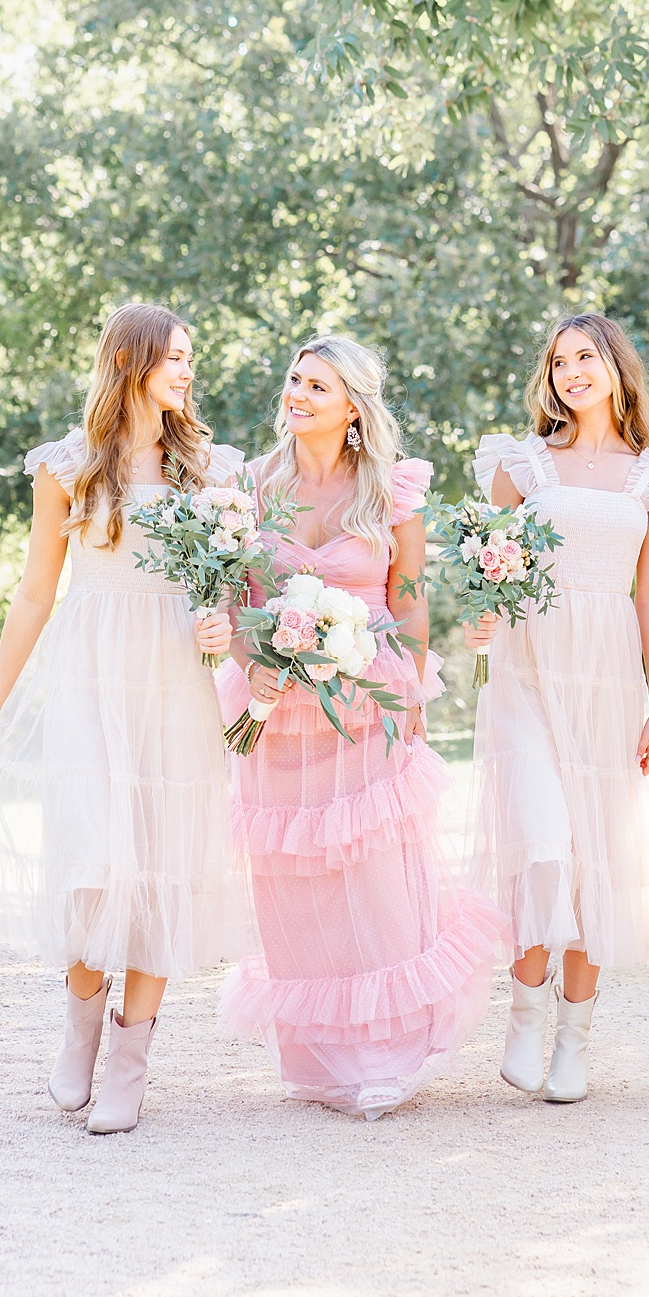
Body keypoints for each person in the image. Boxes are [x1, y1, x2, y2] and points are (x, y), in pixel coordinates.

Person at [0, 303, 243, 1134]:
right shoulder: (67, 467)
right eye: (173, 359)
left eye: (192, 357)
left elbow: (225, 589)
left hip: (175, 682)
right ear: (128, 363)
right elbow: (37, 591)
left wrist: (222, 623)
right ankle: (80, 1026)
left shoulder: (214, 473)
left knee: (161, 866)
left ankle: (132, 1057)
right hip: (90, 675)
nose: (187, 371)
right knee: (90, 859)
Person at [217, 335, 505, 1119]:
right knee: (292, 880)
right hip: (274, 708)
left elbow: (408, 602)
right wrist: (254, 661)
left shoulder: (393, 494)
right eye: (293, 379)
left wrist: (408, 699)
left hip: (366, 695)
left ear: (353, 407)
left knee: (372, 876)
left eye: (318, 384)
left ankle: (383, 1053)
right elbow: (237, 599)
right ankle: (316, 1060)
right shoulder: (248, 487)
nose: (297, 393)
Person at [465, 313, 649, 1103]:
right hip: (528, 669)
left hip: (607, 679)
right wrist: (482, 611)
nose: (571, 372)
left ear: (615, 367)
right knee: (543, 844)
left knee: (597, 858)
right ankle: (524, 1015)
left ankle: (576, 1037)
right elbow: (484, 567)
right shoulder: (522, 463)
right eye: (559, 361)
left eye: (585, 357)